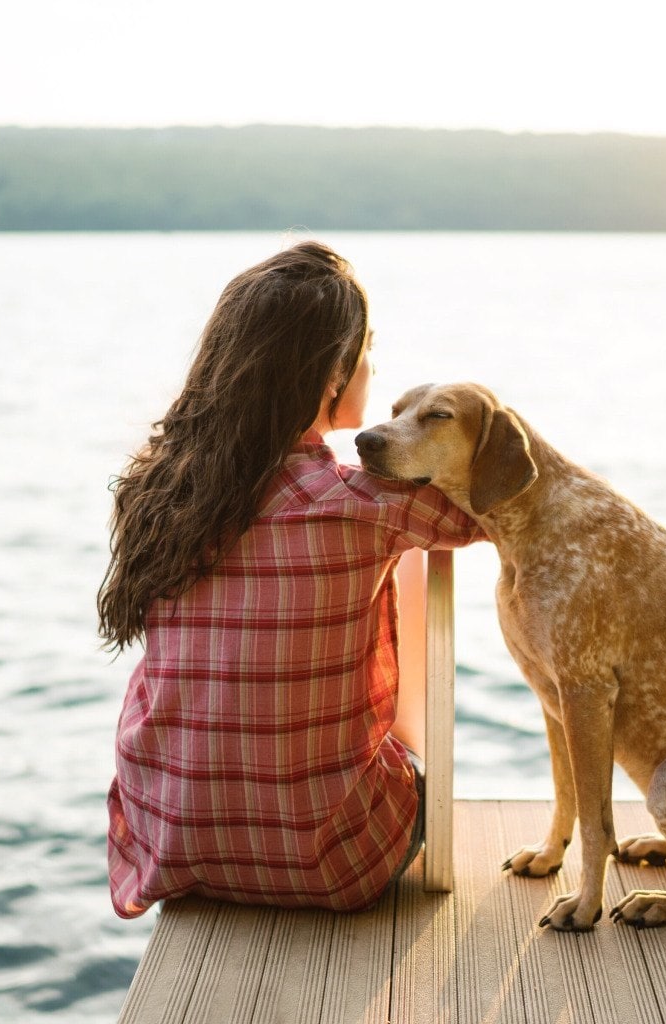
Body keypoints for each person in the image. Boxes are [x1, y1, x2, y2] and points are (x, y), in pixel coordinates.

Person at [98, 241, 481, 918]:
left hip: (173, 840)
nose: (372, 365)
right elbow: (499, 510)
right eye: (366, 350)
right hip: (333, 862)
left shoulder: (159, 488)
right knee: (419, 555)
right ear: (334, 371)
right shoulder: (365, 502)